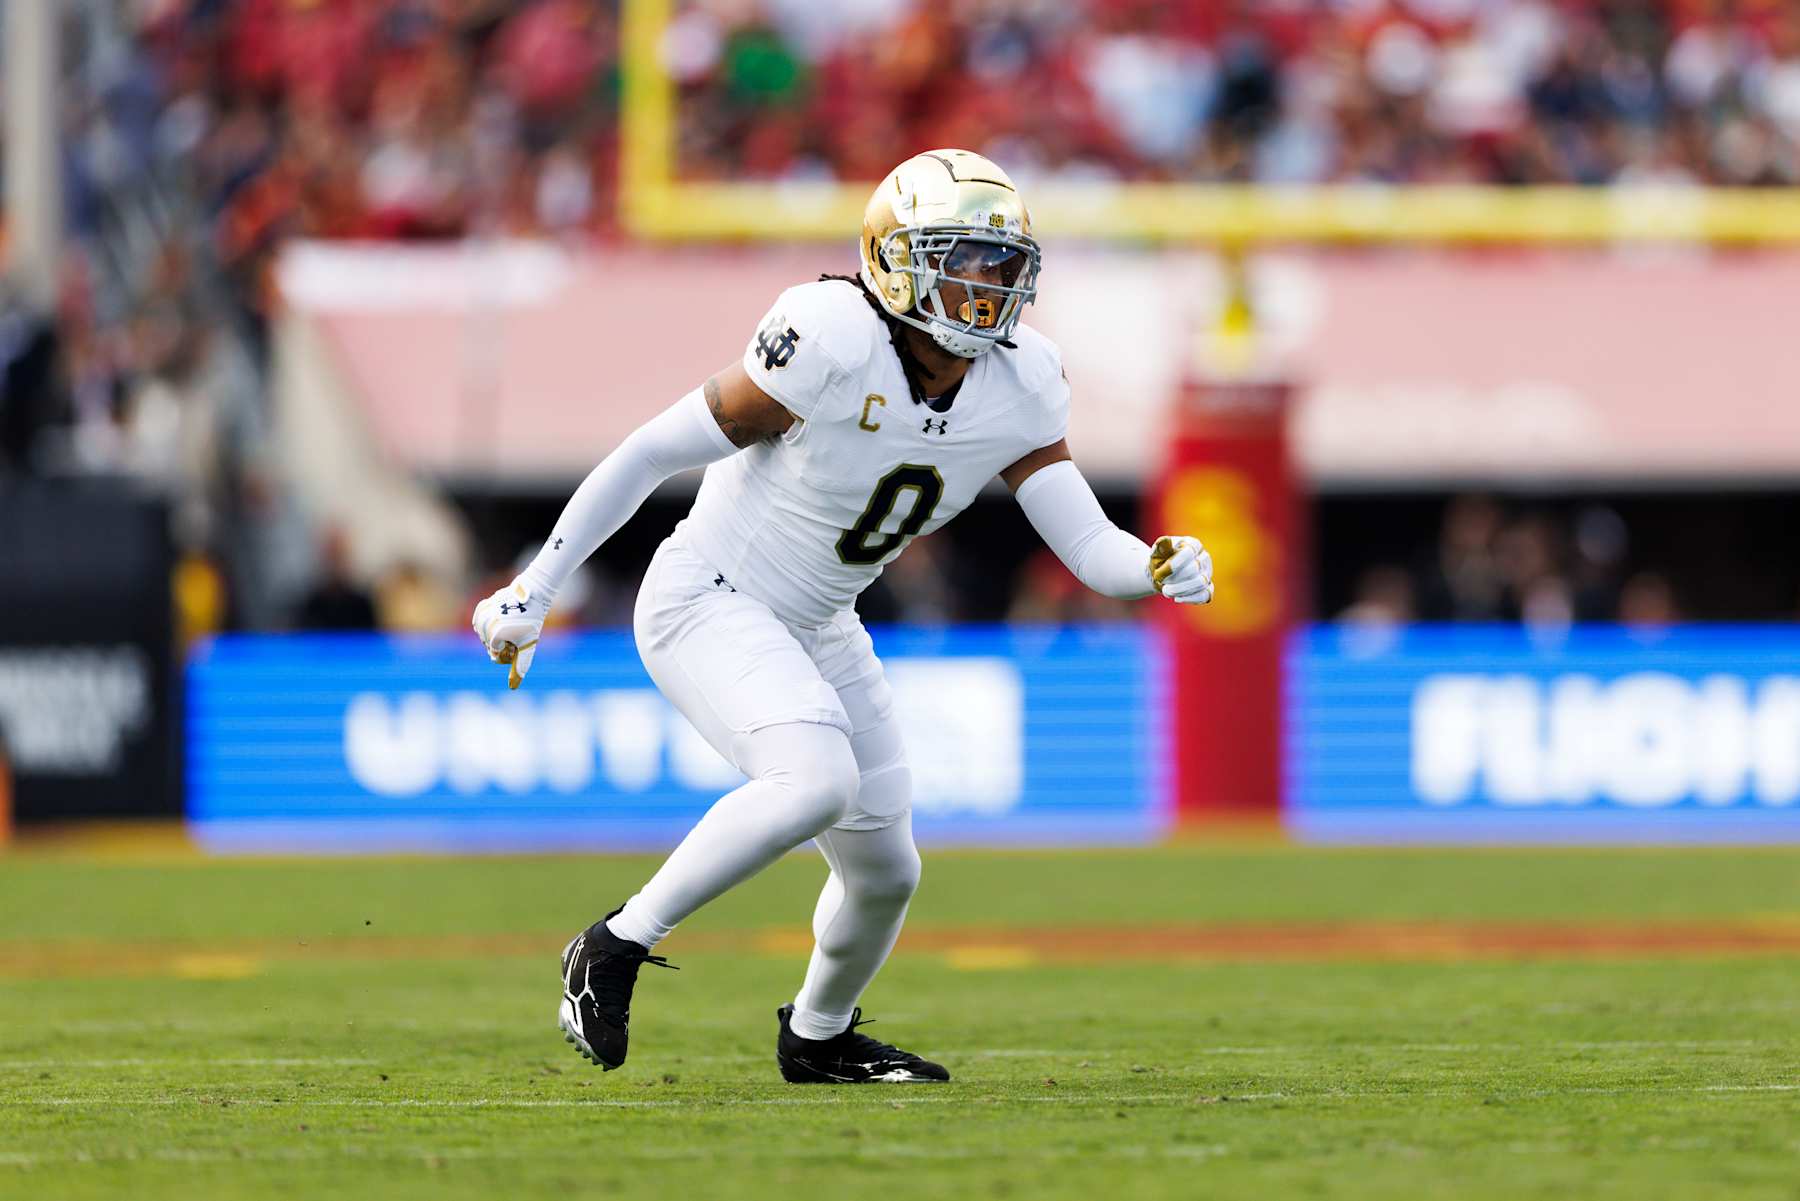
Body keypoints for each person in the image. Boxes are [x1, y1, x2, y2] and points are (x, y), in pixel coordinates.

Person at [471, 150, 1215, 1084]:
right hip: (711, 594)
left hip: (822, 621)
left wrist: (1153, 564)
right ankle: (613, 945)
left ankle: (818, 1038)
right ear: (894, 257)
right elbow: (652, 451)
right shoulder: (827, 337)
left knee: (885, 872)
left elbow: (1086, 542)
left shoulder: (1022, 379)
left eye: (999, 262)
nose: (985, 284)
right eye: (960, 257)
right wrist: (536, 589)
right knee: (815, 776)